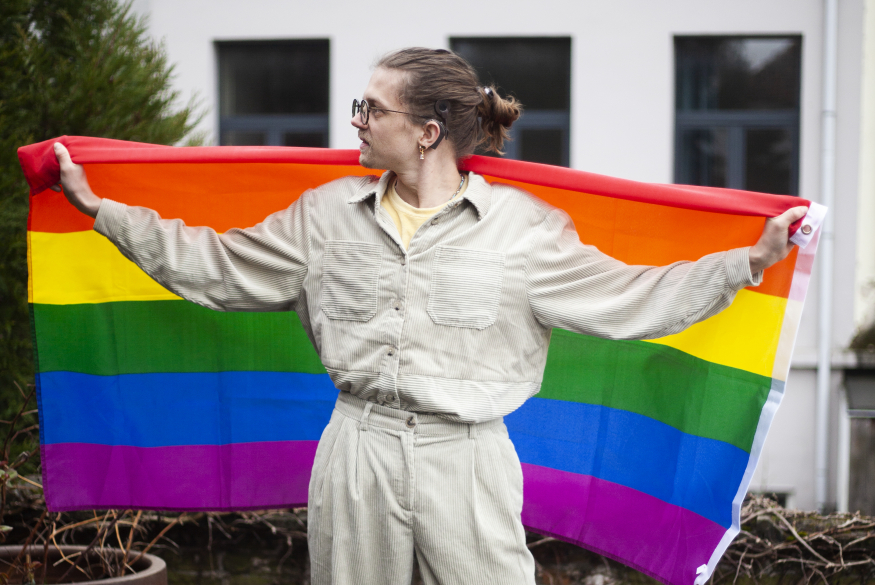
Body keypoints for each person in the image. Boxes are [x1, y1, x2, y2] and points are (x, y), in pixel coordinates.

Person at [51, 47, 806, 585]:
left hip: (469, 459)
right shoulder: (323, 217)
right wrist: (101, 210)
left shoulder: (525, 229)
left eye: (371, 108)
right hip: (356, 449)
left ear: (427, 131)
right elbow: (213, 266)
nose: (356, 121)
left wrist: (744, 263)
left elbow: (633, 296)